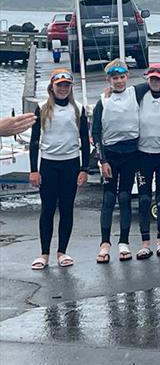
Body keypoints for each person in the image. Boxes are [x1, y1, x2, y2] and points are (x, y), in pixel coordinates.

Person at [28, 70, 89, 269]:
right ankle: (44, 253)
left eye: (66, 85)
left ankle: (62, 252)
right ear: (52, 87)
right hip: (48, 164)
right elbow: (35, 141)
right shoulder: (42, 108)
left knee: (66, 208)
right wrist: (33, 170)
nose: (63, 89)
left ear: (70, 87)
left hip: (70, 164)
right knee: (47, 209)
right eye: (59, 85)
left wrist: (84, 168)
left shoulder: (78, 108)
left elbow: (85, 142)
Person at [92, 59, 140, 263]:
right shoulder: (102, 101)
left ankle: (124, 242)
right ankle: (105, 243)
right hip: (110, 155)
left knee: (125, 198)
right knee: (109, 199)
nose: (119, 81)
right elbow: (96, 132)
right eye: (115, 78)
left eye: (122, 77)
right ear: (108, 80)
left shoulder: (135, 93)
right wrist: (102, 160)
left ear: (127, 76)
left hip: (131, 153)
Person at [133, 63, 160, 258]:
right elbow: (121, 91)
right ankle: (145, 243)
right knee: (144, 199)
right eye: (152, 78)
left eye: (159, 78)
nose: (155, 81)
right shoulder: (140, 95)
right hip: (143, 155)